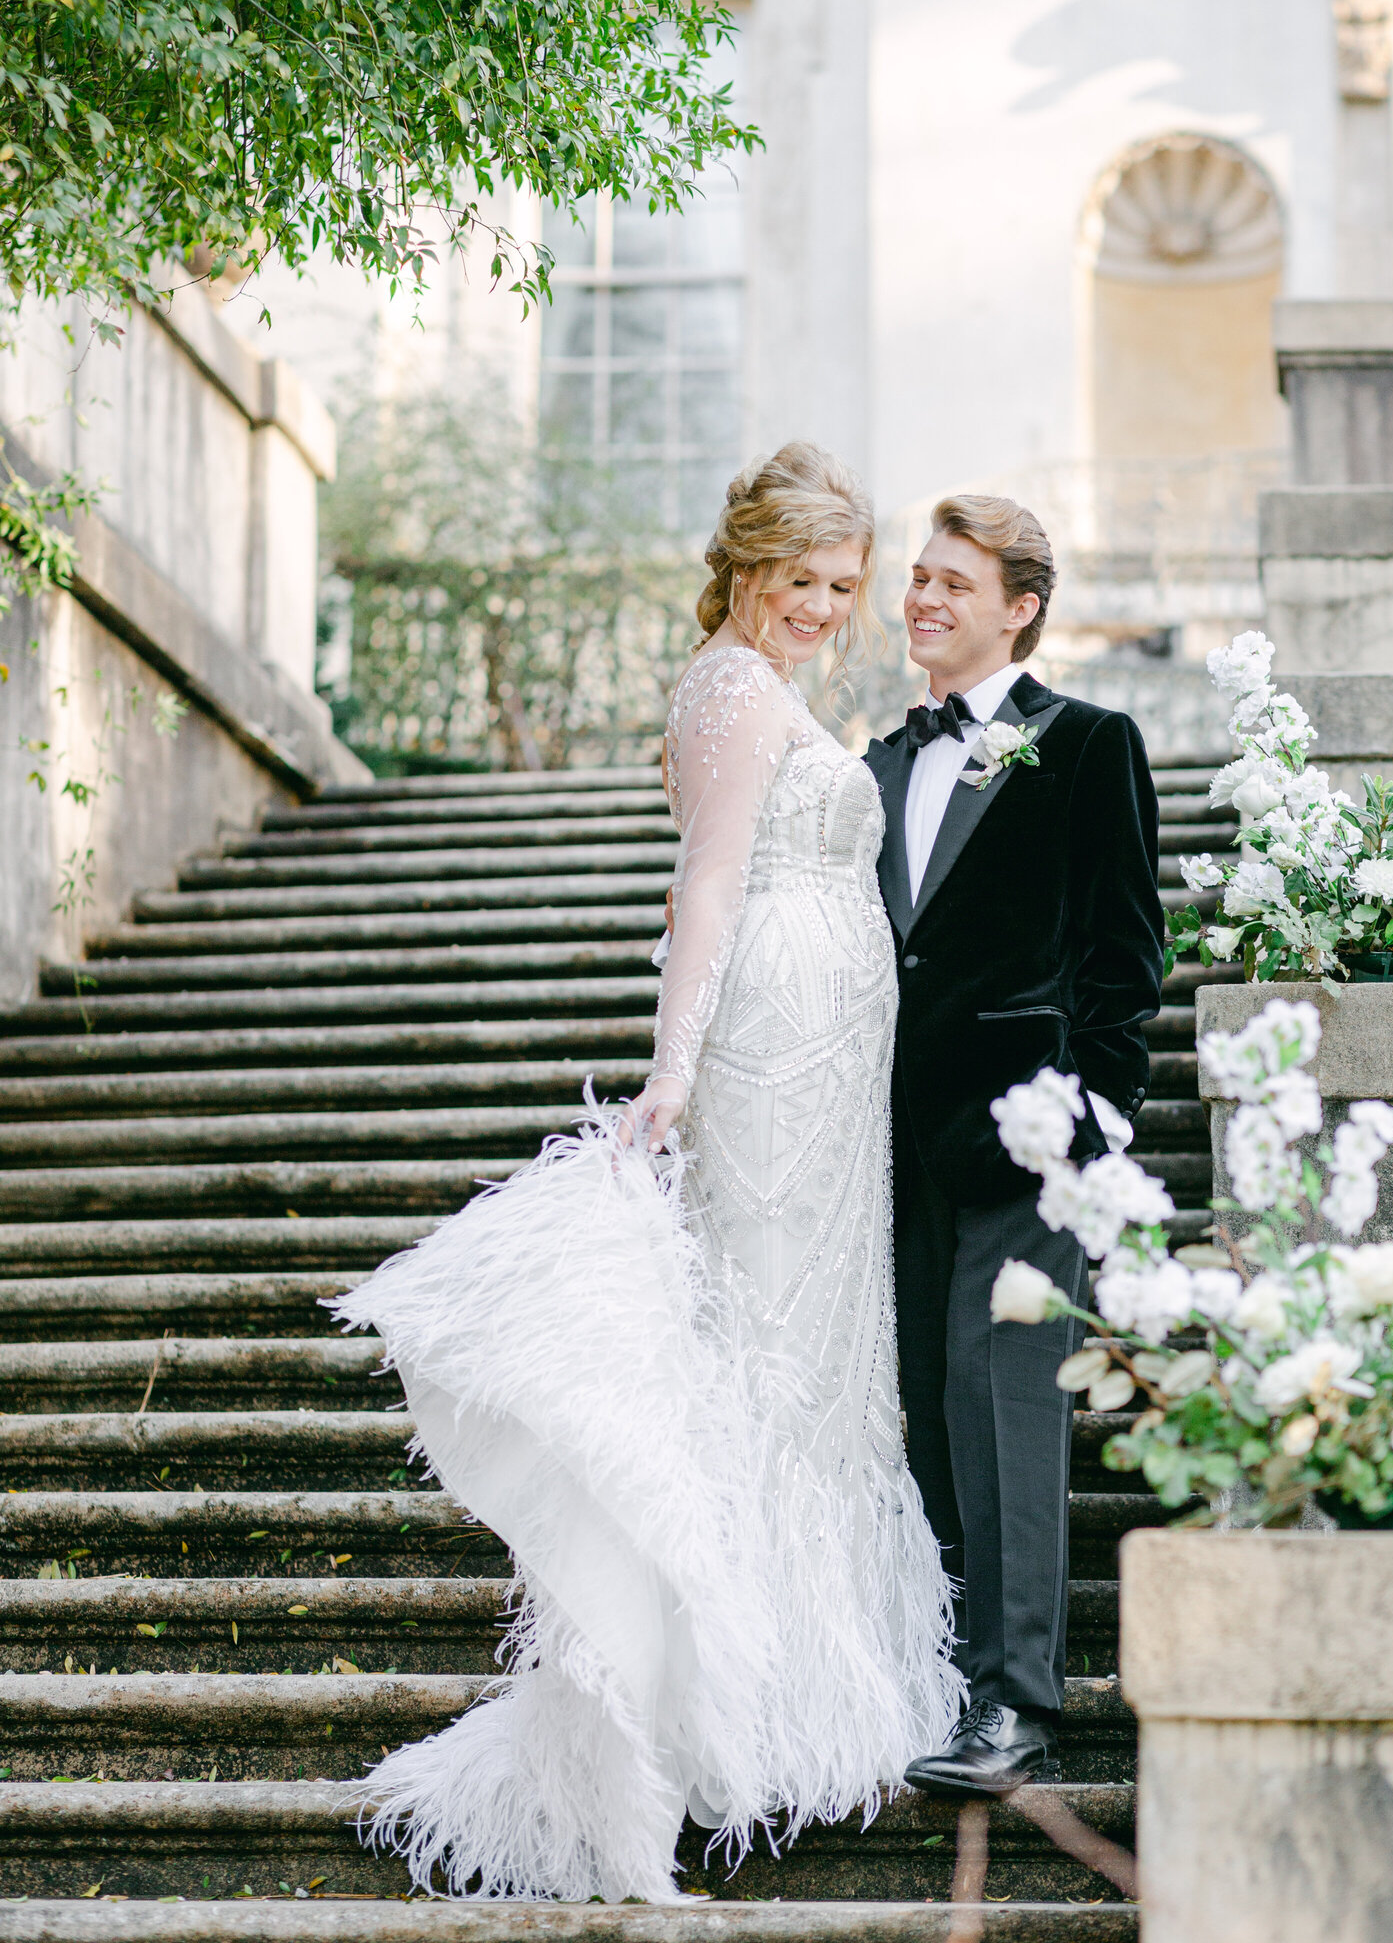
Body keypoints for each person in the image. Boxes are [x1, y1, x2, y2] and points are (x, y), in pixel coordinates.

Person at [333, 443, 959, 1903]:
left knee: (820, 1356)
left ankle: (801, 1693)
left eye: (842, 586)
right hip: (767, 1055)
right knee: (768, 1352)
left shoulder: (771, 685)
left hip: (833, 1061)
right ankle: (729, 1707)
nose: (822, 606)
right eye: (800, 579)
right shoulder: (735, 689)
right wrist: (673, 1071)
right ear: (746, 567)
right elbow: (712, 882)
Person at [865, 495, 1164, 1799]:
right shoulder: (877, 762)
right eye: (917, 579)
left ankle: (1015, 1704)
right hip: (888, 1151)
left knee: (1010, 1416)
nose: (921, 599)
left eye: (951, 583)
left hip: (1030, 1142)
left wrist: (1095, 1121)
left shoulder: (1088, 743)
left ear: (1020, 606)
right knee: (924, 1418)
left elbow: (1126, 955)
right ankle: (929, 1675)